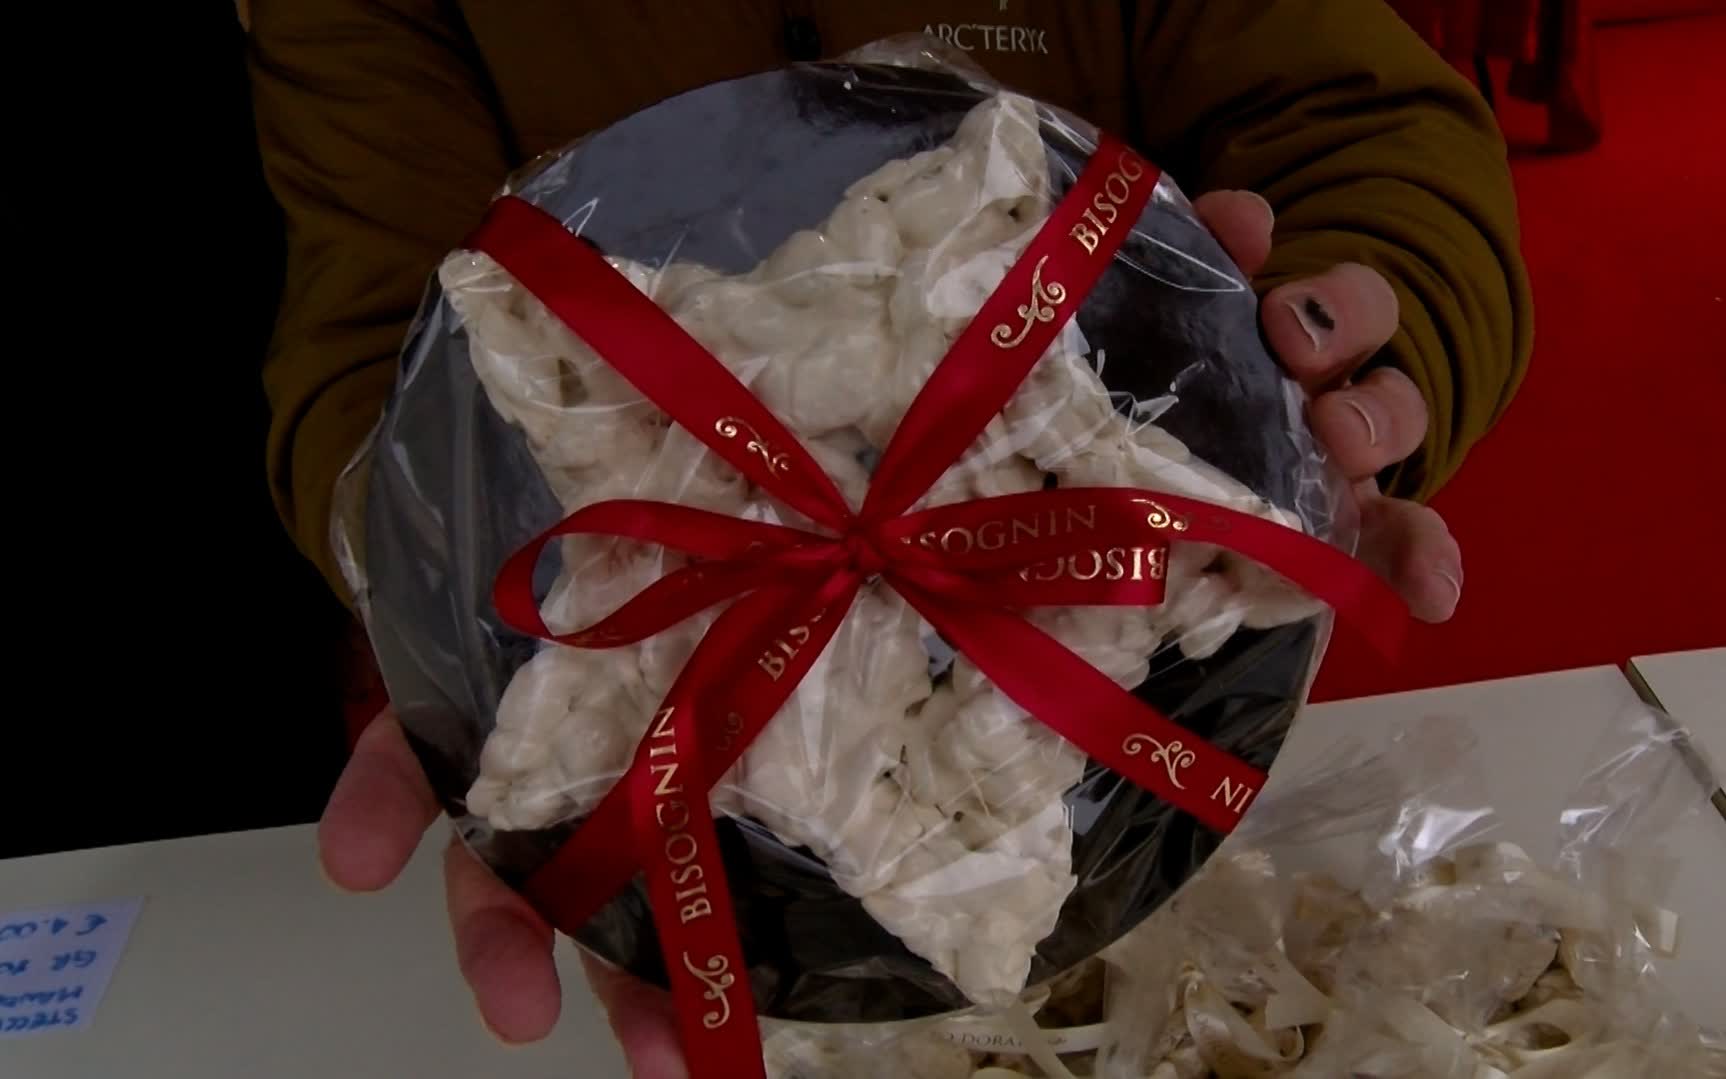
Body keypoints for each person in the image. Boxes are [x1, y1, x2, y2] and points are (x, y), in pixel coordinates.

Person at [247, 2, 1532, 1075]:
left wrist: (1311, 394)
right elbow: (373, 337)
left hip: (1161, 698)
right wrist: (429, 556)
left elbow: (1370, 129)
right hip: (691, 685)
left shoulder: (1006, 280)